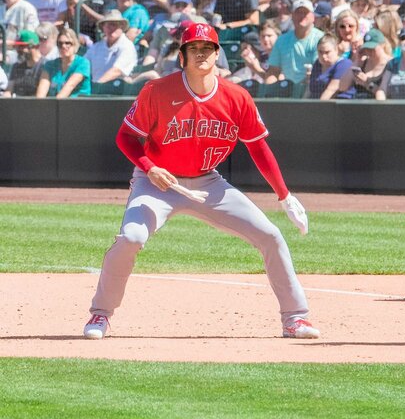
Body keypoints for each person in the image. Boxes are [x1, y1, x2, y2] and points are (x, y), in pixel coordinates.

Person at [81, 22, 320, 341]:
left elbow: (258, 147)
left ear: (217, 54)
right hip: (157, 182)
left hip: (208, 183)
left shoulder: (236, 97)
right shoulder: (157, 91)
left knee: (271, 236)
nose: (201, 54)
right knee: (132, 237)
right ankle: (101, 314)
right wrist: (149, 167)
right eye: (193, 48)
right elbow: (126, 137)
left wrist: (284, 195)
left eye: (207, 48)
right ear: (183, 55)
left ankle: (295, 318)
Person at [267, 0, 324, 83]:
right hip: (287, 89)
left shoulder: (321, 38)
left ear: (313, 17)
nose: (302, 16)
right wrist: (268, 88)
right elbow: (273, 71)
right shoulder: (282, 40)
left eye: (305, 13)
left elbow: (320, 69)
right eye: (298, 12)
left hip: (313, 87)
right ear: (292, 16)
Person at [85, 10, 138, 83]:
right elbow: (84, 64)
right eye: (108, 25)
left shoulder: (127, 46)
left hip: (118, 91)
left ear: (121, 27)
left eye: (115, 25)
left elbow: (117, 71)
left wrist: (98, 85)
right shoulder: (96, 47)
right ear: (103, 28)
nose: (111, 28)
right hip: (95, 90)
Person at [36, 27, 91, 98]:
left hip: (79, 106)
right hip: (56, 105)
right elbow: (42, 90)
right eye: (60, 43)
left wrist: (54, 107)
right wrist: (39, 106)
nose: (63, 46)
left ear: (75, 44)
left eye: (68, 43)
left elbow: (70, 86)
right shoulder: (49, 65)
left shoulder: (83, 63)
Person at [345, 28, 392, 98]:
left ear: (382, 45)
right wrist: (357, 60)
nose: (369, 51)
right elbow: (342, 86)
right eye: (367, 49)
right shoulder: (363, 62)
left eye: (372, 48)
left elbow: (387, 94)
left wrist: (367, 83)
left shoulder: (391, 63)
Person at [308, 34, 356, 99]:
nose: (323, 56)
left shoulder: (344, 64)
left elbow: (331, 90)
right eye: (320, 52)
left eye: (327, 52)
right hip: (316, 103)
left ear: (336, 50)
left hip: (338, 105)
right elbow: (309, 90)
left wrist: (317, 108)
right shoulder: (317, 64)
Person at [2, 30, 45, 97]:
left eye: (22, 47)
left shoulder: (45, 66)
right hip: (18, 104)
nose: (18, 50)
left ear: (35, 46)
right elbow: (8, 91)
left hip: (37, 105)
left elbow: (41, 97)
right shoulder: (16, 66)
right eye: (18, 47)